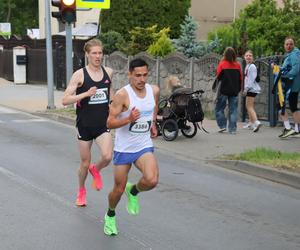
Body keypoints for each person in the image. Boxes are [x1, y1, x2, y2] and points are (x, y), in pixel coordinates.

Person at [103, 58, 159, 236]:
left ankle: (133, 190)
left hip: (143, 145)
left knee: (151, 180)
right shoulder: (122, 95)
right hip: (124, 148)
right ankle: (110, 215)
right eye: (137, 76)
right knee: (118, 190)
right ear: (129, 75)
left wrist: (153, 124)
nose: (141, 79)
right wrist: (128, 119)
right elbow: (109, 123)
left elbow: (153, 107)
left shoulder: (154, 90)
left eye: (144, 75)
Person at [62, 39, 114, 206]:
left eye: (100, 53)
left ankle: (96, 169)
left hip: (101, 125)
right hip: (84, 125)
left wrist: (116, 109)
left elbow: (110, 93)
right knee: (84, 162)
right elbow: (65, 100)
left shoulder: (109, 72)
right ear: (87, 55)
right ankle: (81, 190)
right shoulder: (80, 74)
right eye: (94, 53)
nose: (98, 56)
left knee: (107, 156)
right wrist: (85, 94)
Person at [276, 37, 300, 138]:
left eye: (291, 44)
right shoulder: (292, 54)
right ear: (284, 45)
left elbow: (296, 68)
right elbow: (286, 68)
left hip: (291, 85)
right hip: (294, 85)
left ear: (293, 45)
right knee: (294, 107)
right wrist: (278, 68)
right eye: (287, 44)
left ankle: (288, 128)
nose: (289, 46)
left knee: (280, 105)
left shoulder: (294, 54)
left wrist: (286, 76)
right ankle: (297, 130)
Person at [215, 47, 243, 134]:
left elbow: (218, 77)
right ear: (234, 55)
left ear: (225, 54)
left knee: (219, 109)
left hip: (223, 90)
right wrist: (238, 89)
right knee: (233, 110)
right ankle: (232, 129)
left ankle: (222, 126)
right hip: (234, 91)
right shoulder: (238, 65)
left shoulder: (222, 64)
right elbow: (240, 79)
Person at [242, 50, 262, 132]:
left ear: (252, 57)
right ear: (244, 57)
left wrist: (246, 89)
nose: (248, 57)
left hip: (251, 89)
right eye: (247, 56)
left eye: (250, 55)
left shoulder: (252, 67)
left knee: (249, 107)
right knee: (248, 106)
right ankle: (250, 123)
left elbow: (251, 79)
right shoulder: (248, 66)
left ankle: (256, 122)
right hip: (250, 88)